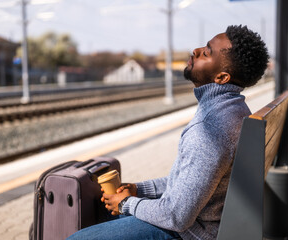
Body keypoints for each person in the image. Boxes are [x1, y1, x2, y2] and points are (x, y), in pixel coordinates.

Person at [67, 25, 269, 240]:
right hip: (205, 223)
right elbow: (190, 181)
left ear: (222, 77)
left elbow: (176, 217)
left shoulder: (210, 129)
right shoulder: (232, 109)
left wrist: (127, 203)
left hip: (192, 233)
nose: (196, 50)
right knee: (101, 215)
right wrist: (139, 189)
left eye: (207, 52)